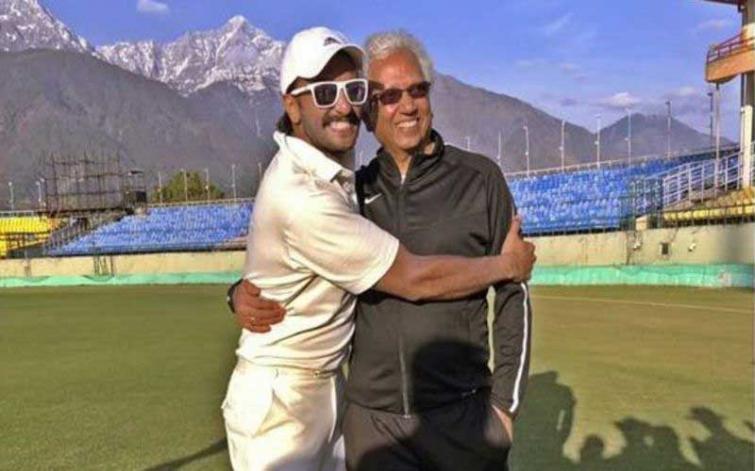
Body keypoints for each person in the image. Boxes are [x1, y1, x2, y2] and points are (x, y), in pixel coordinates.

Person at [222, 27, 535, 471]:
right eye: (387, 96)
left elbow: (514, 298)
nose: (406, 106)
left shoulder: (480, 179)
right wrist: (504, 264)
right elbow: (412, 277)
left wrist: (505, 406)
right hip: (365, 422)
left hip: (459, 416)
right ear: (369, 113)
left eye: (417, 90)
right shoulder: (349, 193)